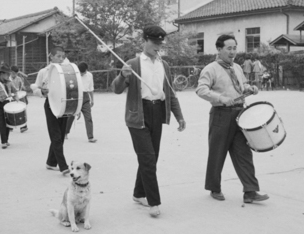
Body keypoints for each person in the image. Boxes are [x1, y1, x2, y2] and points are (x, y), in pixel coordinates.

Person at [111, 25, 186, 218]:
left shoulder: (164, 65)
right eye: (154, 42)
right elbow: (116, 89)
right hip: (138, 115)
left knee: (151, 157)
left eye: (160, 43)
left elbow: (170, 93)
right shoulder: (132, 64)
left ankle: (138, 193)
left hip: (157, 112)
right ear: (144, 41)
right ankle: (154, 202)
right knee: (148, 159)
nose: (157, 46)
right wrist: (122, 76)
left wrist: (179, 116)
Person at [196, 34, 269, 204]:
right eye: (229, 48)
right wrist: (220, 98)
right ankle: (214, 188)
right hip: (221, 114)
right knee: (217, 153)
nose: (232, 52)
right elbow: (201, 90)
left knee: (244, 153)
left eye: (235, 48)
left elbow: (242, 85)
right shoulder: (210, 69)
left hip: (240, 115)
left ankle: (250, 191)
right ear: (219, 49)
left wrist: (250, 88)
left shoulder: (236, 67)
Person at [37, 47, 71, 175]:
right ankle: (63, 166)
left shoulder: (67, 70)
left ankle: (51, 162)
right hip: (51, 105)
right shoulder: (44, 72)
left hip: (64, 104)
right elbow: (36, 88)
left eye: (63, 57)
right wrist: (41, 92)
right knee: (55, 135)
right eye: (58, 56)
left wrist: (75, 107)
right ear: (51, 56)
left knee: (60, 135)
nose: (61, 59)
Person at [65, 62, 97, 143]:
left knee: (88, 117)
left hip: (85, 97)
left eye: (83, 72)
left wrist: (92, 99)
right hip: (75, 96)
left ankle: (90, 137)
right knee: (71, 116)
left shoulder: (89, 75)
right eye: (80, 72)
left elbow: (91, 88)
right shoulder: (73, 75)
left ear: (86, 70)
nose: (82, 74)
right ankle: (65, 132)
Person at [0, 64, 18, 149]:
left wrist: (16, 97)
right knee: (1, 123)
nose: (9, 75)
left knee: (8, 123)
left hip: (8, 103)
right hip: (0, 105)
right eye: (7, 74)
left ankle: (6, 140)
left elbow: (15, 91)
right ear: (1, 73)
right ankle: (3, 142)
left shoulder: (9, 83)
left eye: (9, 74)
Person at [10, 65, 28, 133]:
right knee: (11, 111)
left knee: (21, 110)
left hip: (18, 96)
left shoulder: (19, 79)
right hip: (11, 96)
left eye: (16, 73)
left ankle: (23, 126)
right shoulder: (8, 79)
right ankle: (10, 126)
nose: (14, 75)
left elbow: (22, 88)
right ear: (11, 72)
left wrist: (23, 88)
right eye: (13, 73)